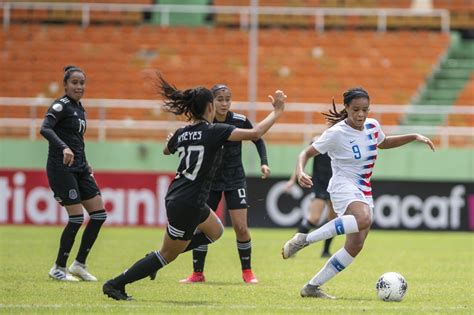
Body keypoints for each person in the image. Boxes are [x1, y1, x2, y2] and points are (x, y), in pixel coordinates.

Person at [102, 75, 286, 301]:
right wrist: (277, 112)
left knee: (215, 231)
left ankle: (158, 259)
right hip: (186, 202)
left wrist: (173, 140)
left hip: (185, 197)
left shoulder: (183, 131)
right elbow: (256, 133)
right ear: (210, 106)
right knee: (166, 255)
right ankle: (116, 284)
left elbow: (166, 150)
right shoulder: (214, 131)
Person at [281, 87, 434, 299]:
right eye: (356, 110)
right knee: (363, 218)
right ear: (347, 108)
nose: (361, 115)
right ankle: (304, 239)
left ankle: (312, 287)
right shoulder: (336, 133)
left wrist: (414, 136)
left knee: (355, 245)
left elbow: (384, 142)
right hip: (342, 184)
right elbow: (306, 152)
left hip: (363, 187)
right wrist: (299, 171)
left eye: (365, 110)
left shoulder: (372, 126)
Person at [180, 84, 270, 284]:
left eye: (227, 99)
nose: (224, 103)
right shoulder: (204, 123)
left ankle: (247, 272)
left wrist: (264, 162)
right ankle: (197, 273)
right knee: (201, 227)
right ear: (211, 102)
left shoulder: (238, 120)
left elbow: (258, 138)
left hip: (234, 179)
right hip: (209, 182)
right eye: (220, 99)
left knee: (241, 227)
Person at [40, 65, 107, 282]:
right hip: (61, 168)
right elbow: (45, 128)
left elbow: (78, 140)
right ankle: (58, 267)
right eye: (75, 83)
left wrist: (85, 163)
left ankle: (78, 265)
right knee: (77, 218)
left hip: (79, 167)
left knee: (99, 215)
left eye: (82, 83)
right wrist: (63, 148)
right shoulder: (61, 105)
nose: (79, 87)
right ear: (65, 85)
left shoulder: (80, 109)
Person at [284, 152, 336, 258]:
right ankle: (293, 246)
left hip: (335, 185)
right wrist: (293, 179)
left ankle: (325, 251)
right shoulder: (318, 141)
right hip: (320, 185)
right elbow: (303, 158)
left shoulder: (340, 139)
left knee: (333, 220)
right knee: (314, 218)